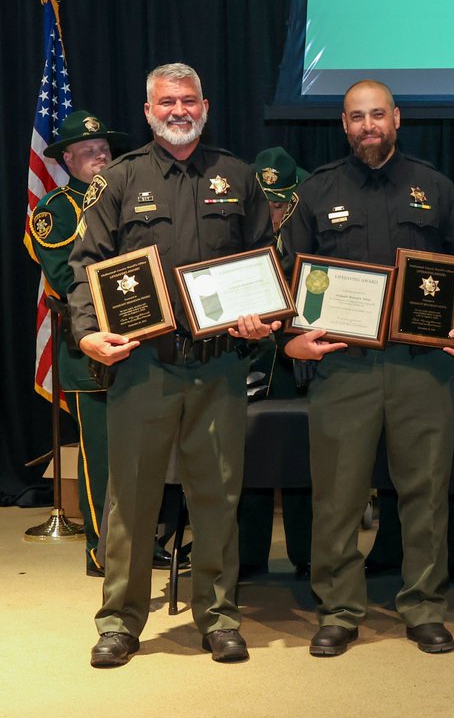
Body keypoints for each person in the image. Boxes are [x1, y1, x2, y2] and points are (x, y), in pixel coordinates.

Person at [69, 63, 277, 667]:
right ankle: (119, 620)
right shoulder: (117, 181)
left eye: (188, 100)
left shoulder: (237, 177)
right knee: (130, 499)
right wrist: (87, 334)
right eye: (167, 101)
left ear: (205, 107)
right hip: (144, 367)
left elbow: (264, 261)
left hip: (218, 367)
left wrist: (263, 319)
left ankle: (219, 616)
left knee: (217, 496)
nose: (179, 109)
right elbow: (87, 266)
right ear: (148, 110)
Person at [279, 80, 454, 658]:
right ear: (343, 125)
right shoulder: (316, 192)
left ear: (397, 118)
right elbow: (286, 277)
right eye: (356, 117)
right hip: (344, 369)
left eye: (378, 115)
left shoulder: (435, 186)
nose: (369, 126)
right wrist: (292, 340)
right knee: (338, 496)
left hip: (422, 367)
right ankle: (339, 609)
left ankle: (423, 606)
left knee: (425, 493)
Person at [30, 110, 127, 575]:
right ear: (68, 159)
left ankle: (143, 542)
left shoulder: (131, 194)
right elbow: (66, 276)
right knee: (103, 453)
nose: (101, 157)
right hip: (86, 343)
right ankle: (102, 550)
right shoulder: (57, 209)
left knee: (145, 449)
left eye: (105, 149)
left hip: (140, 339)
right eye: (89, 152)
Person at [363, 322, 454, 583]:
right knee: (392, 469)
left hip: (447, 373)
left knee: (440, 477)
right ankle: (390, 546)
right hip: (390, 372)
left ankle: (452, 555)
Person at [236, 147, 313, 580]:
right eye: (265, 203)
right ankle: (249, 555)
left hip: (297, 361)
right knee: (251, 457)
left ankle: (308, 554)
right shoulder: (236, 231)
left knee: (301, 458)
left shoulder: (308, 231)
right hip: (248, 359)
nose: (273, 212)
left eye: (280, 203)